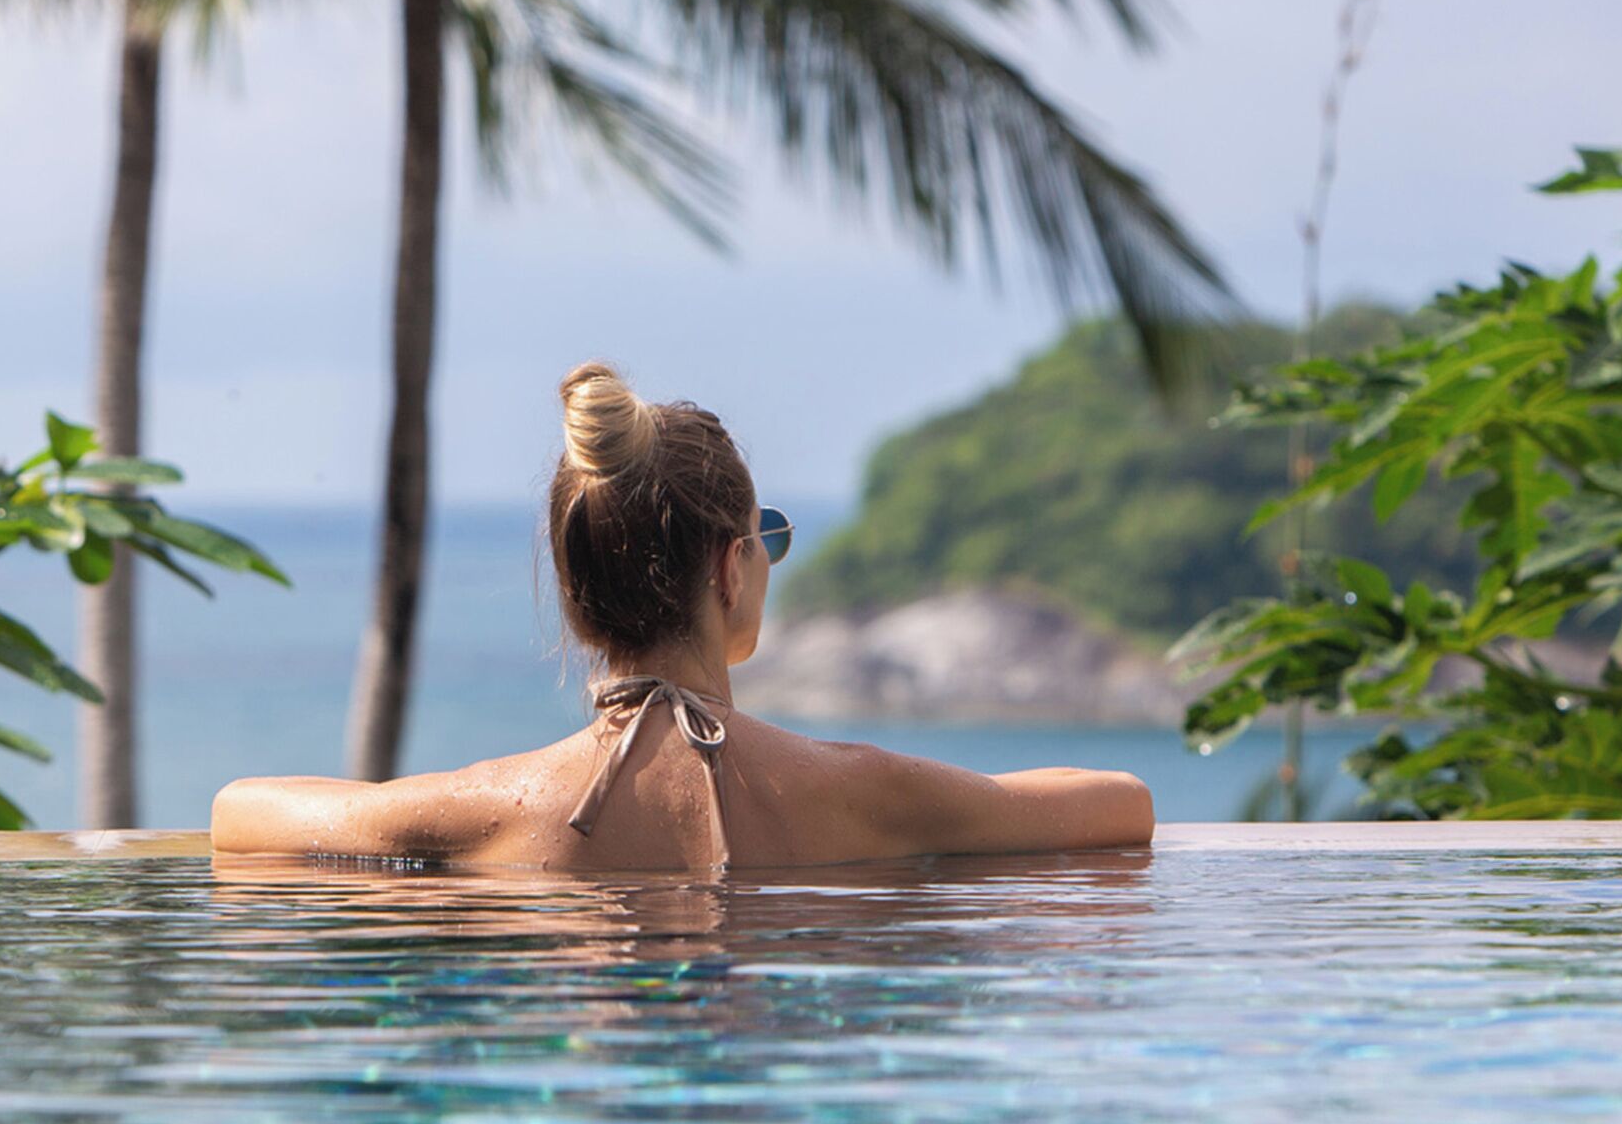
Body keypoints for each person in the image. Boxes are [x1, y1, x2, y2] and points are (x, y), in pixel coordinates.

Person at [211, 363, 1154, 871]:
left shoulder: (485, 808)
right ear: (728, 569)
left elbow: (238, 812)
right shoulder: (869, 793)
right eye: (764, 538)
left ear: (578, 599)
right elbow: (1120, 806)